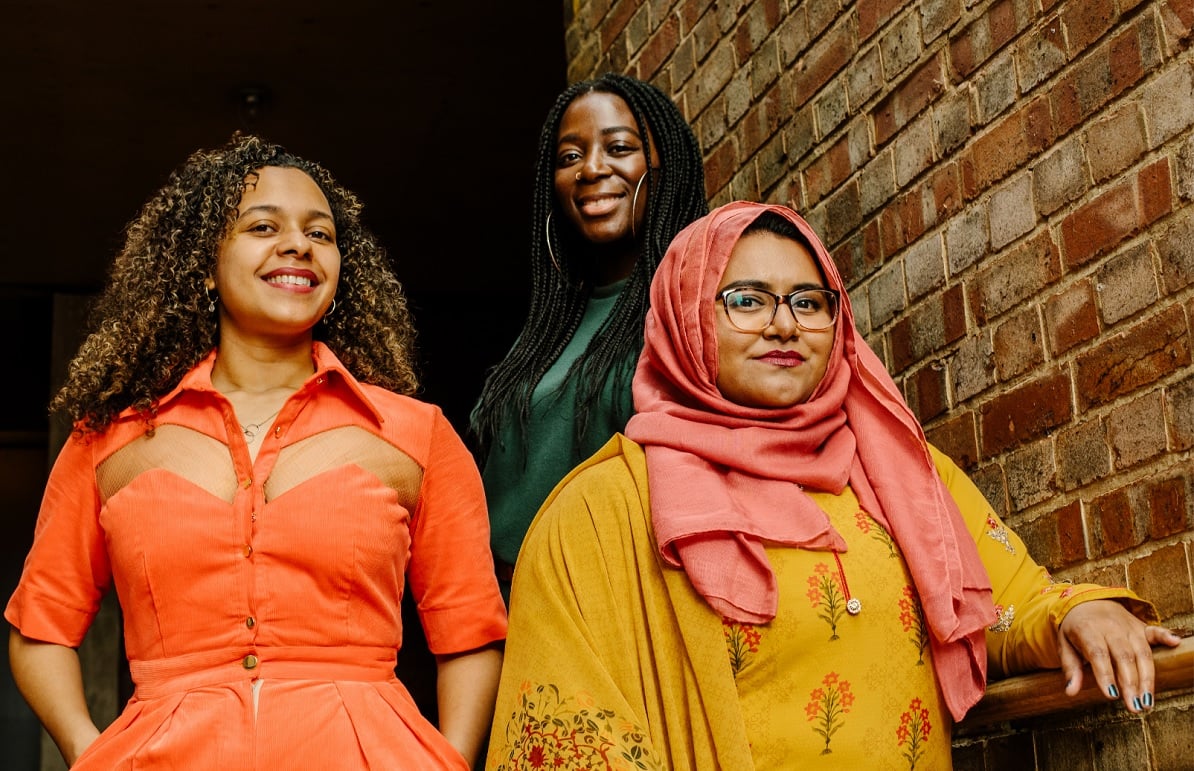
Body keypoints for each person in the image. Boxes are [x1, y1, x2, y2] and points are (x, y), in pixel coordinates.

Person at [485, 202, 1181, 769]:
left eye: (809, 301)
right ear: (685, 315)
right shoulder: (601, 512)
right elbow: (568, 737)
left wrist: (1078, 614)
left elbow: (1003, 605)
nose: (784, 324)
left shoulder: (900, 472)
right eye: (747, 300)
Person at [6, 134, 506, 770]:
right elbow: (41, 626)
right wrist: (89, 751)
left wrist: (449, 760)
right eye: (262, 225)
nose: (298, 244)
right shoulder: (107, 438)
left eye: (320, 234)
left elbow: (469, 631)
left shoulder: (416, 432)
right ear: (204, 263)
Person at [469, 73, 708, 594]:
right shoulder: (545, 332)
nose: (592, 169)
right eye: (569, 157)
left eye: (618, 147)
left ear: (662, 165)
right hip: (516, 618)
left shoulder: (690, 310)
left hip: (621, 610)